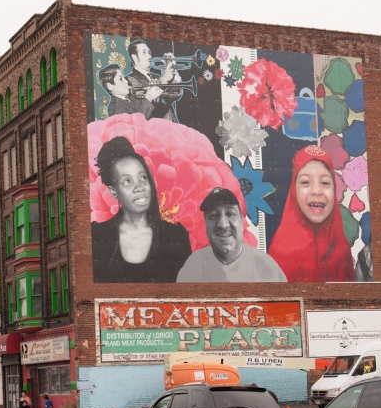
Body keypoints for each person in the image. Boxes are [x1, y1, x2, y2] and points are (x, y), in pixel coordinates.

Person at [91, 136, 192, 282]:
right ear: (114, 191)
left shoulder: (176, 237)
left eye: (143, 178)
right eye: (127, 181)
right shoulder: (97, 237)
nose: (139, 187)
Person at [268, 145, 354, 282]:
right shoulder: (281, 248)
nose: (316, 191)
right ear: (293, 191)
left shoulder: (341, 247)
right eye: (305, 182)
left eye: (325, 182)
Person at [177, 188, 287, 282]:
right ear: (206, 225)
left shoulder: (266, 267)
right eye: (213, 216)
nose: (223, 225)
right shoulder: (192, 267)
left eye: (230, 214)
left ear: (242, 221)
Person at [126, 39, 181, 121]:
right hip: (155, 128)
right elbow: (151, 98)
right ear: (135, 58)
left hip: (171, 125)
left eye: (149, 53)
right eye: (144, 53)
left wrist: (174, 74)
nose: (149, 56)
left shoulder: (156, 77)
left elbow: (174, 95)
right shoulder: (130, 80)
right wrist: (165, 79)